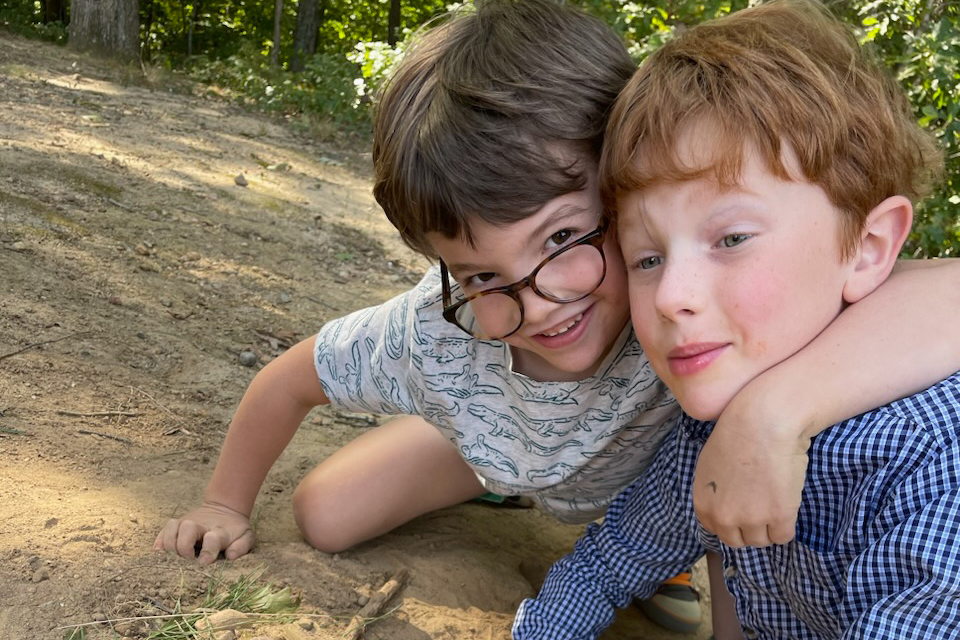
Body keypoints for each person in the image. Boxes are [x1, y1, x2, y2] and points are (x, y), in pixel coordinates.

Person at [154, 1, 960, 636]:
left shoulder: (701, 322)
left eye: (568, 238)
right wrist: (224, 503)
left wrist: (767, 414)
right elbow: (290, 379)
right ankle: (493, 463)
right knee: (324, 515)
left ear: (619, 191)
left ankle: (632, 537)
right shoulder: (441, 332)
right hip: (505, 435)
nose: (538, 300)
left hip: (644, 487)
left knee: (718, 477)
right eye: (481, 274)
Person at [512, 1, 960, 638]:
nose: (671, 296)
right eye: (647, 257)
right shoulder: (711, 430)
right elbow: (605, 565)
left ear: (866, 246)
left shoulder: (930, 465)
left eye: (731, 239)